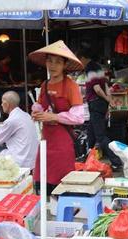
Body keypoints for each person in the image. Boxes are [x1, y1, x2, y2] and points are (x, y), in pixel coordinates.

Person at [29, 40, 84, 195]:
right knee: (43, 183)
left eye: (58, 62)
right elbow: (40, 104)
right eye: (50, 61)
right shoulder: (45, 85)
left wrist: (53, 116)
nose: (53, 65)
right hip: (46, 141)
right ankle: (46, 215)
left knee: (62, 185)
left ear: (65, 65)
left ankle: (61, 214)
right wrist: (37, 111)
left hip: (63, 142)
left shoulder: (70, 86)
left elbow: (79, 117)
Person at [77, 49, 122, 170]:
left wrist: (108, 100)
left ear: (82, 58)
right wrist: (109, 100)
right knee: (91, 133)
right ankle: (87, 158)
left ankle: (116, 162)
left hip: (95, 104)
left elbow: (97, 88)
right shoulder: (98, 67)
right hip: (100, 104)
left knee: (100, 136)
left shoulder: (89, 68)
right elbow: (106, 86)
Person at [0, 91, 39, 169]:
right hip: (31, 160)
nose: (1, 105)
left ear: (7, 104)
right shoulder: (25, 115)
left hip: (20, 160)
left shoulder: (12, 120)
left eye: (2, 102)